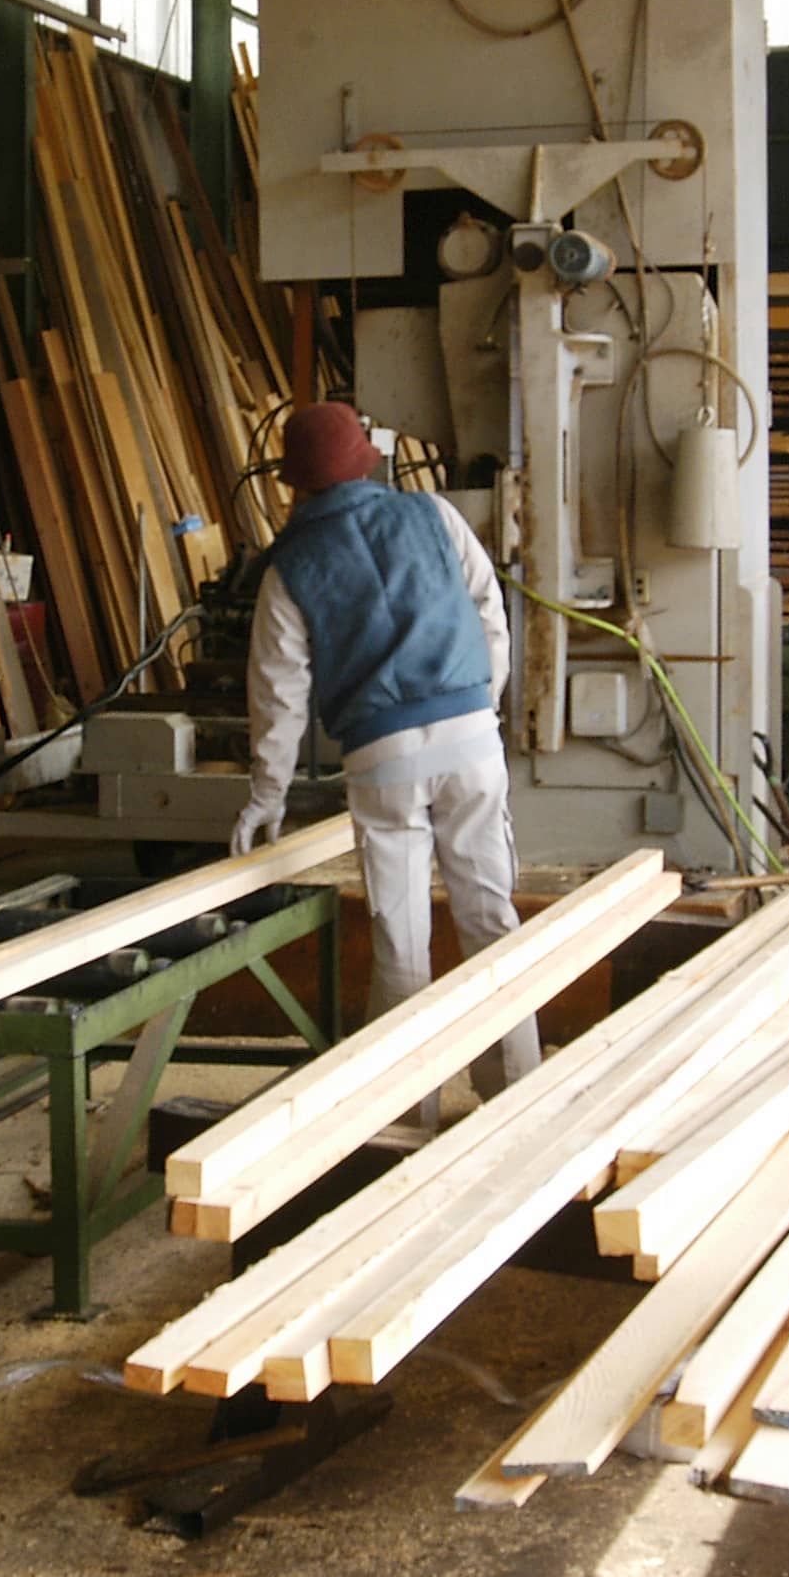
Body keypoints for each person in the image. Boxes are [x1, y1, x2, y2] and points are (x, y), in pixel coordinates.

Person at [231, 403, 535, 1112]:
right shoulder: (434, 516)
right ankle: (516, 1095)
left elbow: (279, 696)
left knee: (401, 938)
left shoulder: (290, 570)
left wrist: (266, 797)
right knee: (491, 920)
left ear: (296, 487)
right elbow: (490, 610)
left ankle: (408, 1112)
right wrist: (478, 706)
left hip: (381, 761)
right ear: (368, 463)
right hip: (470, 739)